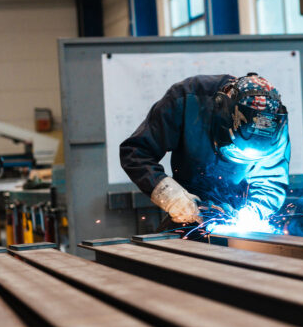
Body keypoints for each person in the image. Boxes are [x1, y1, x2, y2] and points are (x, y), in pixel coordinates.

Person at [120, 73, 290, 226]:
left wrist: (251, 215)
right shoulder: (186, 99)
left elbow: (271, 182)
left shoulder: (274, 125)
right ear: (223, 120)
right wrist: (170, 196)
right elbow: (136, 152)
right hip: (188, 203)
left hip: (237, 207)